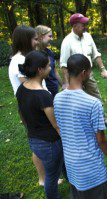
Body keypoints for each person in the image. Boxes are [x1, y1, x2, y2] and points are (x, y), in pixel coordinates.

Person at [54, 54, 107, 199]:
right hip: (91, 169)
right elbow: (101, 140)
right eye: (90, 72)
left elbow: (61, 128)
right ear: (84, 73)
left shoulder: (57, 98)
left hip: (72, 166)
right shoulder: (93, 103)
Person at [16, 51, 63, 199]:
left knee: (57, 168)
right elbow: (56, 125)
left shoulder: (21, 88)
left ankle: (73, 181)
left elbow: (21, 114)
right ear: (40, 70)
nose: (50, 69)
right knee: (51, 176)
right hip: (49, 143)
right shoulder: (44, 96)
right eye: (48, 66)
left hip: (33, 139)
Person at [8, 25, 47, 186]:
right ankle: (43, 178)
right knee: (38, 142)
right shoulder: (20, 61)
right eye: (35, 39)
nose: (37, 42)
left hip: (34, 106)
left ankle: (46, 175)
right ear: (26, 40)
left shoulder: (21, 58)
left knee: (39, 140)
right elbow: (30, 86)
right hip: (33, 108)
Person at [60, 13, 107, 100]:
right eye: (83, 24)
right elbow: (64, 65)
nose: (85, 26)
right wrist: (66, 82)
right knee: (77, 100)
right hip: (74, 77)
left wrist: (103, 69)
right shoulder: (67, 41)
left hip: (88, 74)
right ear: (74, 26)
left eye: (85, 24)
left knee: (96, 98)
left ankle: (99, 112)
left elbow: (96, 54)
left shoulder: (88, 36)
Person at [36, 25, 62, 97]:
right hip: (43, 91)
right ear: (41, 36)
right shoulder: (34, 55)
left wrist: (62, 85)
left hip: (54, 89)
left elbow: (54, 71)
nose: (51, 38)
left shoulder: (49, 52)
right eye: (49, 36)